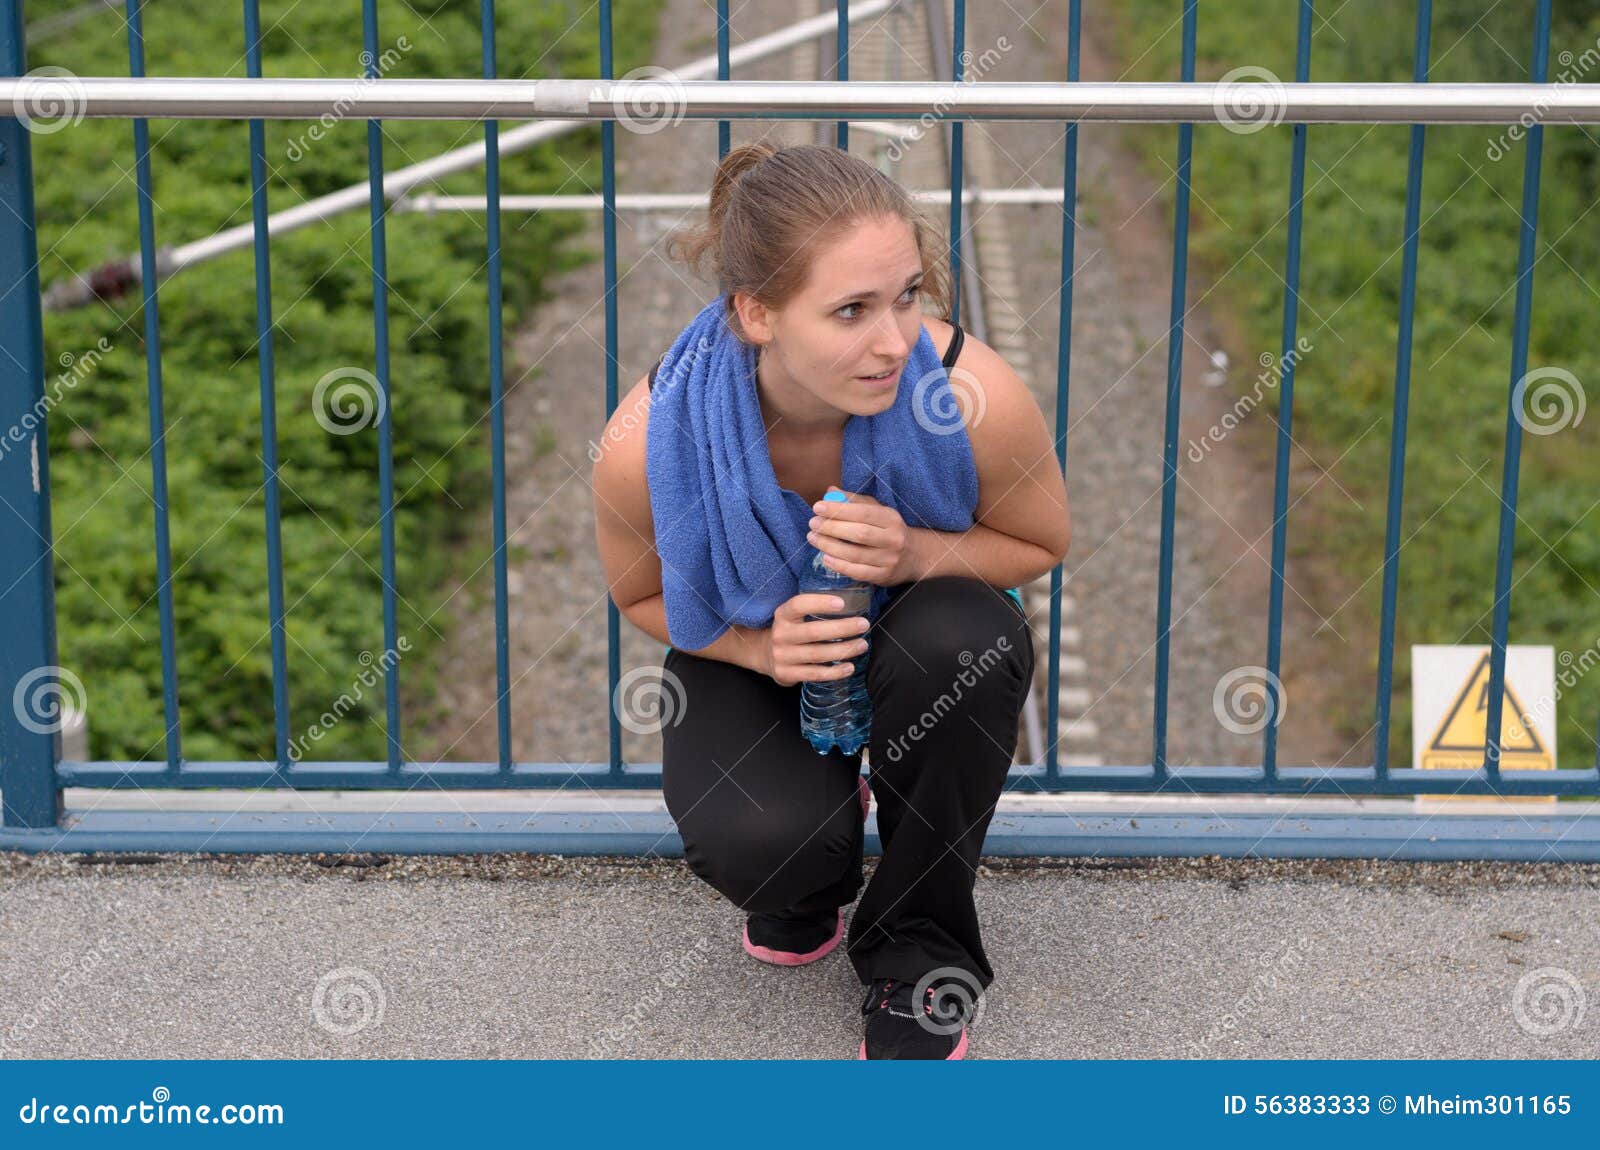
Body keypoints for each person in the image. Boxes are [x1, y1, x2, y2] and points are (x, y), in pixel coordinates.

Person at [591, 140, 1071, 1059]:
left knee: (966, 646)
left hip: (921, 631)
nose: (893, 342)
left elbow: (1043, 545)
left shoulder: (970, 395)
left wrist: (914, 550)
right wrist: (757, 651)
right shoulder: (645, 440)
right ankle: (812, 871)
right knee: (763, 845)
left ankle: (919, 954)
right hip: (759, 642)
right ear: (758, 312)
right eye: (851, 310)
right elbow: (641, 595)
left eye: (906, 297)